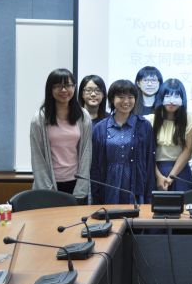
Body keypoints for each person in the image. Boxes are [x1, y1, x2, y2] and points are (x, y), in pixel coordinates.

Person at [30, 68, 91, 202]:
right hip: (50, 183)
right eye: (58, 86)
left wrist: (81, 188)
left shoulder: (83, 116)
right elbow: (37, 157)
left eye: (68, 85)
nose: (64, 90)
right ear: (50, 89)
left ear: (74, 87)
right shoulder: (39, 118)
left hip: (76, 182)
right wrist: (47, 189)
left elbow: (86, 152)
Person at [91, 79, 156, 204]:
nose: (126, 101)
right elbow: (95, 165)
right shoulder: (100, 128)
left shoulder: (144, 126)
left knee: (135, 221)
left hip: (135, 183)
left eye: (130, 97)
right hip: (108, 183)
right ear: (112, 99)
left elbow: (149, 162)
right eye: (121, 97)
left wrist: (149, 194)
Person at [145, 79, 192, 192]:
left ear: (182, 99)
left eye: (176, 96)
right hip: (155, 170)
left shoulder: (189, 118)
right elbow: (147, 153)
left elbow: (188, 150)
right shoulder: (149, 120)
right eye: (167, 96)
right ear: (161, 98)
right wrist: (158, 176)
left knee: (183, 208)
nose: (172, 101)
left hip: (180, 171)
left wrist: (171, 176)